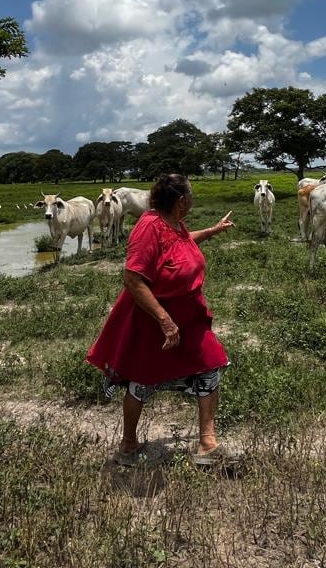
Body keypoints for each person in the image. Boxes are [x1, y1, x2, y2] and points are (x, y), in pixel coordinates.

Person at [85, 173, 237, 469]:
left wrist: (213, 230)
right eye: (191, 197)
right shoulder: (148, 226)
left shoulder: (174, 222)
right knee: (142, 380)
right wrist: (165, 321)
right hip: (153, 320)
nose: (192, 201)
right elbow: (133, 278)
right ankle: (128, 446)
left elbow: (181, 244)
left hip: (191, 318)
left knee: (209, 367)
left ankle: (208, 444)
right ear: (182, 201)